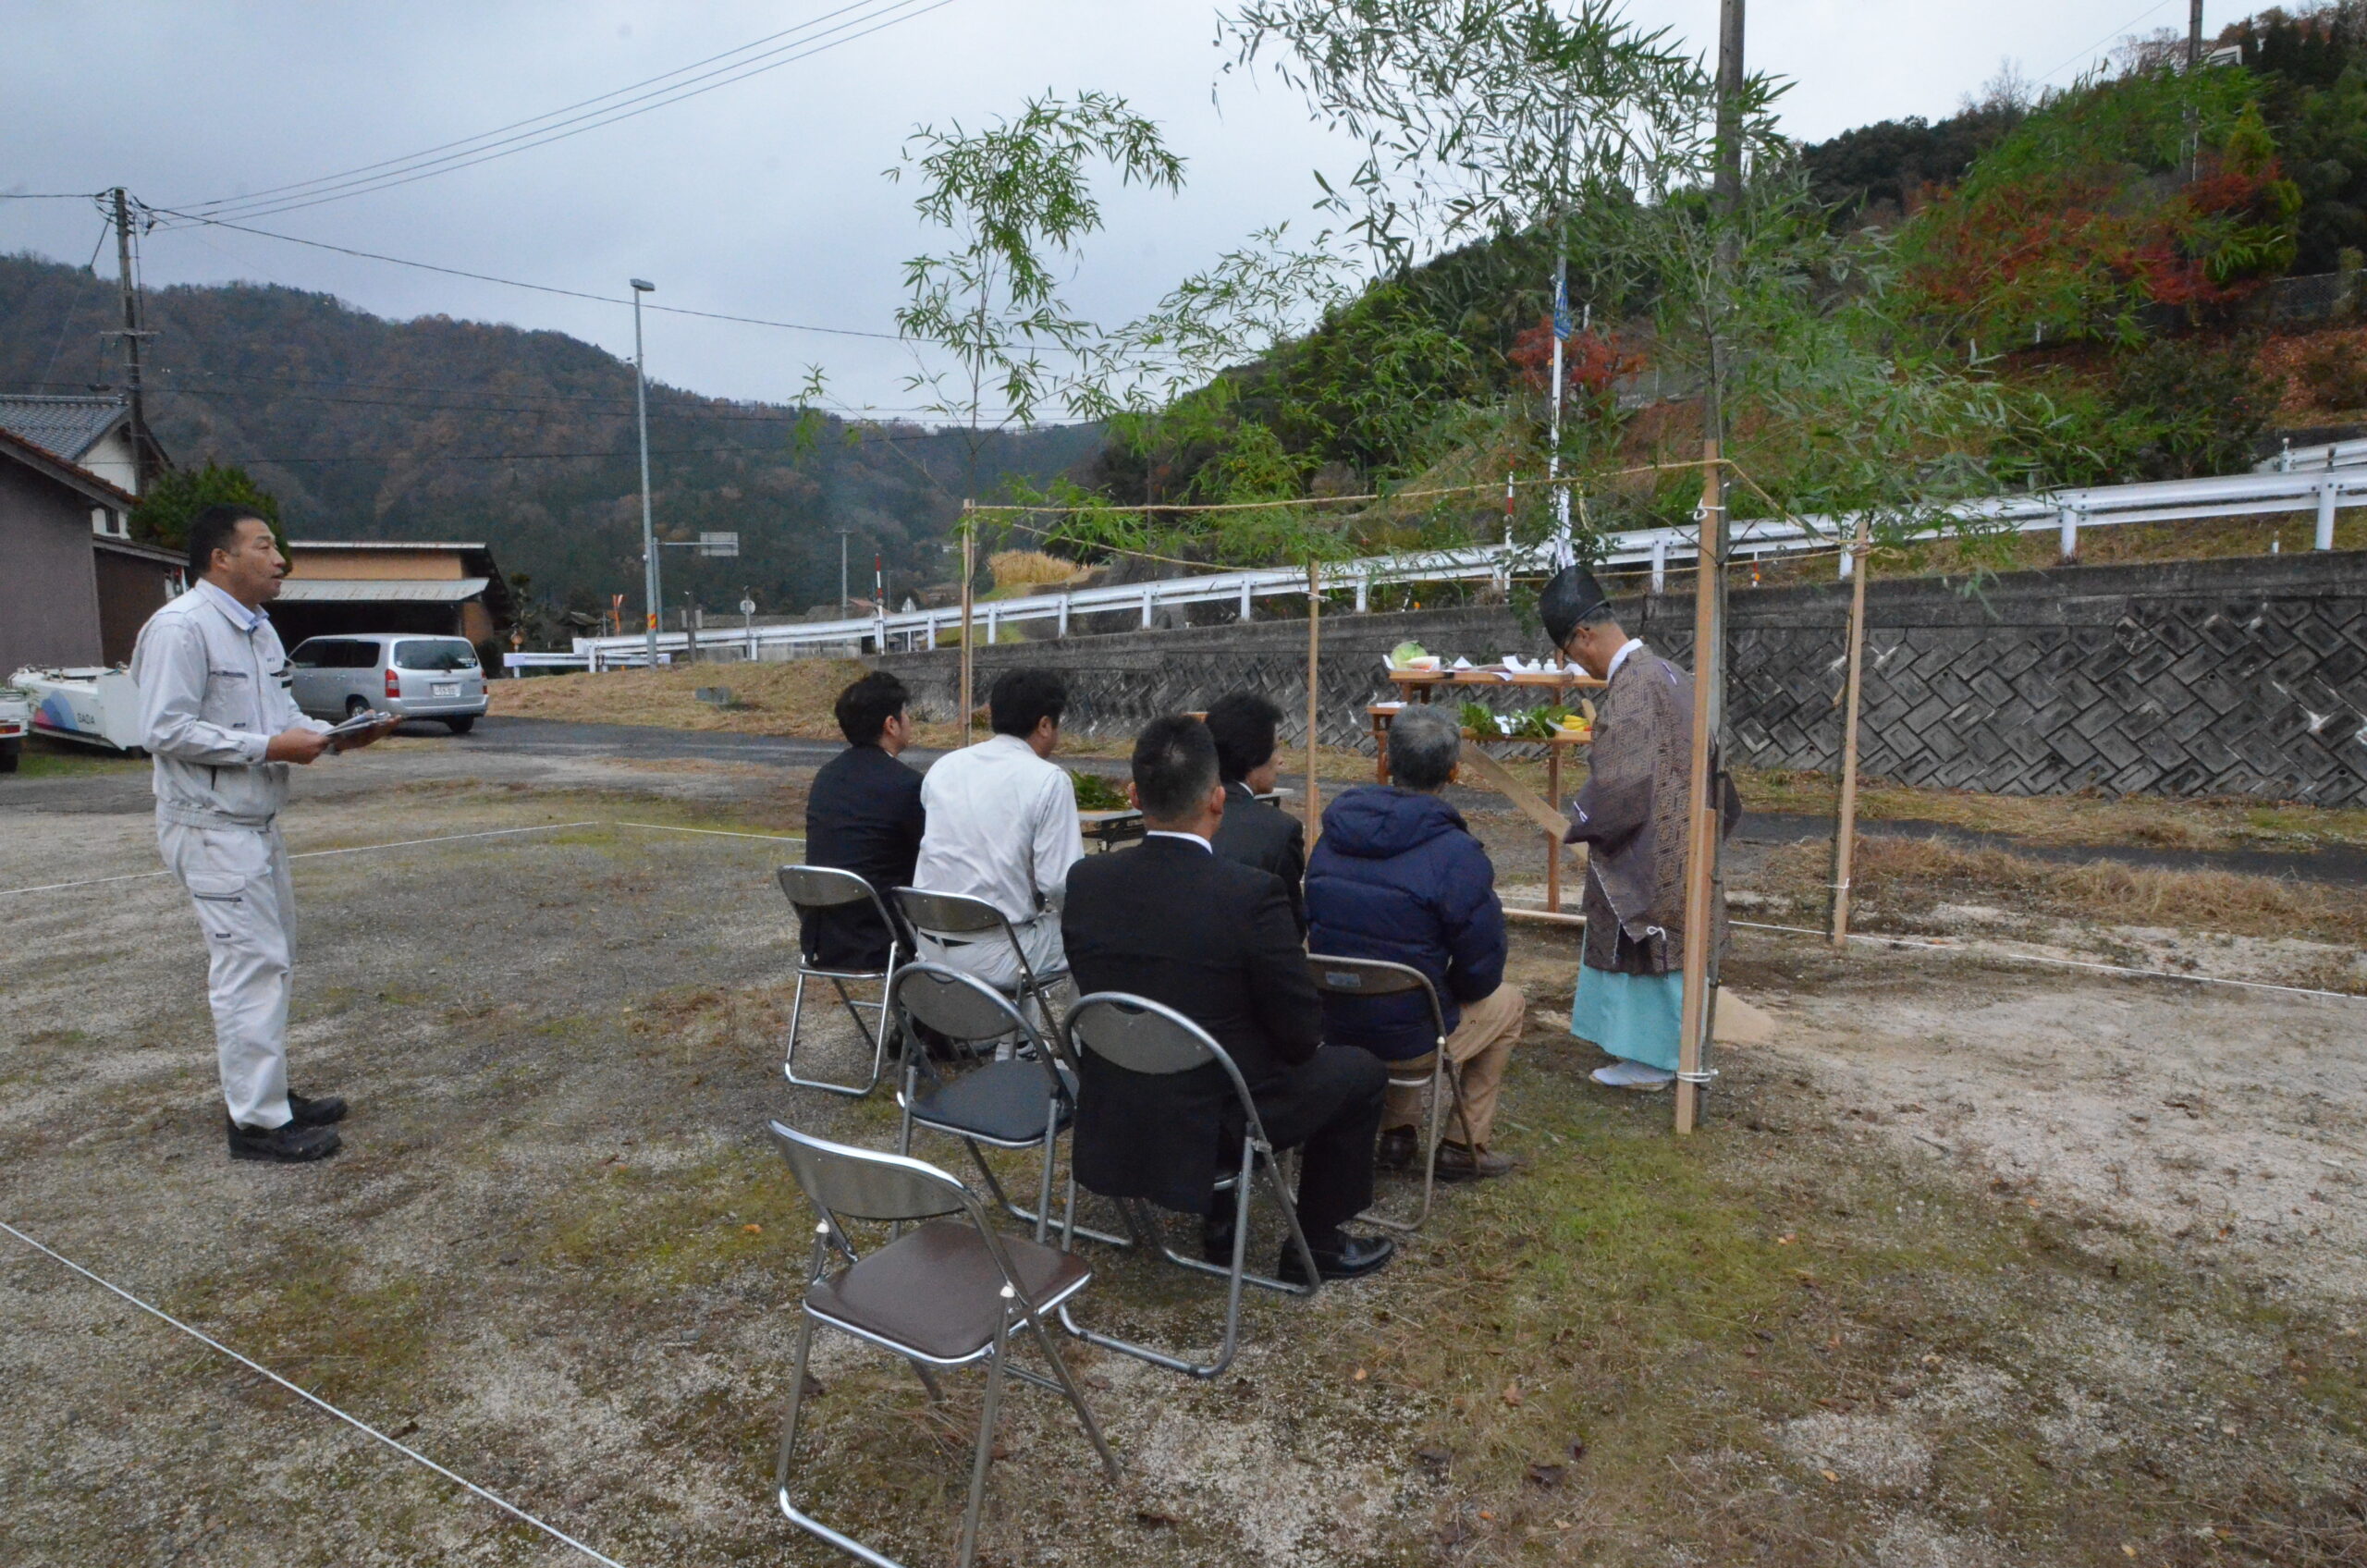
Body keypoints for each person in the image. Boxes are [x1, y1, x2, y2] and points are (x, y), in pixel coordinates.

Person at [1063, 716, 1393, 1283]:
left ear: (1135, 796)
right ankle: (1317, 1245)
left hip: (1115, 1093)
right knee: (1358, 1071)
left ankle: (1227, 1218)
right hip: (1219, 1114)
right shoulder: (1249, 895)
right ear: (1218, 799)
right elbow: (1298, 1033)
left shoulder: (1087, 881)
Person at [132, 504, 393, 1163]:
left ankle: (269, 1094)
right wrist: (268, 744)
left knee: (272, 959)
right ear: (221, 559)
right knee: (248, 966)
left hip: (255, 822)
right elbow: (163, 729)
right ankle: (255, 1123)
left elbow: (282, 715)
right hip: (210, 825)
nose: (281, 560)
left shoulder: (259, 631)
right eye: (264, 546)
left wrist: (335, 738)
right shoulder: (181, 629)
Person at [1542, 564, 1741, 1091]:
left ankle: (1649, 1060)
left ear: (1584, 635)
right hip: (1685, 837)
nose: (1577, 664)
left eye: (1570, 650)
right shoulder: (1672, 673)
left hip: (1648, 845)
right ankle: (1673, 1051)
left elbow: (1622, 782)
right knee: (1673, 947)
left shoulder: (1631, 688)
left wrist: (1584, 820)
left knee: (1642, 942)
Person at [1305, 704, 1523, 1181]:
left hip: (1332, 1024)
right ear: (1454, 771)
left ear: (1385, 760)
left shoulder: (1330, 837)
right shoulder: (1457, 854)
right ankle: (1464, 1146)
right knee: (1506, 1003)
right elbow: (1482, 969)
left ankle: (1398, 1134)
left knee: (1403, 987)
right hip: (1409, 1035)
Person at [910, 668, 1083, 993]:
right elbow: (1061, 883)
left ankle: (1018, 1044)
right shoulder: (1049, 779)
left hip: (929, 946)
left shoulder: (944, 766)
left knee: (1028, 922)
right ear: (1045, 725)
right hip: (999, 956)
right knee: (1094, 933)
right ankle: (1079, 1040)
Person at [800, 671, 925, 972]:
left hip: (825, 936)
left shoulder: (827, 776)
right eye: (905, 714)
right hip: (884, 939)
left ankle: (915, 1019)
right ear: (891, 724)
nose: (909, 721)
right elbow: (930, 858)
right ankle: (929, 1016)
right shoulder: (906, 784)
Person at [1204, 691, 1307, 935]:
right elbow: (1290, 927)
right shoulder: (1280, 830)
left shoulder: (1183, 814)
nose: (1280, 761)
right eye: (1275, 749)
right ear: (1252, 757)